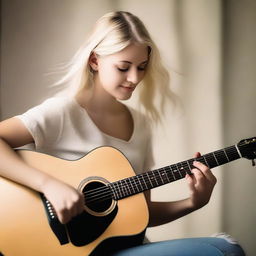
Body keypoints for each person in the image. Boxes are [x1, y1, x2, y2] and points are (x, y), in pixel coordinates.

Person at [0, 11, 245, 256]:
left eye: (142, 67)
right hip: (64, 250)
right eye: (123, 67)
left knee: (226, 248)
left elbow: (140, 213)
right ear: (95, 61)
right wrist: (49, 185)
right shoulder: (62, 112)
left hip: (124, 248)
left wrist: (193, 203)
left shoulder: (141, 125)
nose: (134, 78)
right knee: (224, 250)